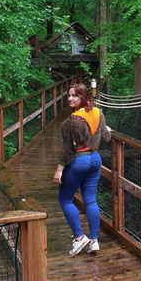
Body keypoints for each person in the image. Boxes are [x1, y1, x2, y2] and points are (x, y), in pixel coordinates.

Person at [53, 82, 111, 256]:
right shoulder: (97, 113)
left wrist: (59, 170)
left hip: (79, 161)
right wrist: (106, 129)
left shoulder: (73, 121)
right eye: (69, 95)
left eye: (74, 95)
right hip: (95, 160)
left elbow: (68, 150)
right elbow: (106, 137)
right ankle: (94, 241)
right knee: (91, 201)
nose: (70, 98)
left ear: (83, 97)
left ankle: (79, 238)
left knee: (65, 199)